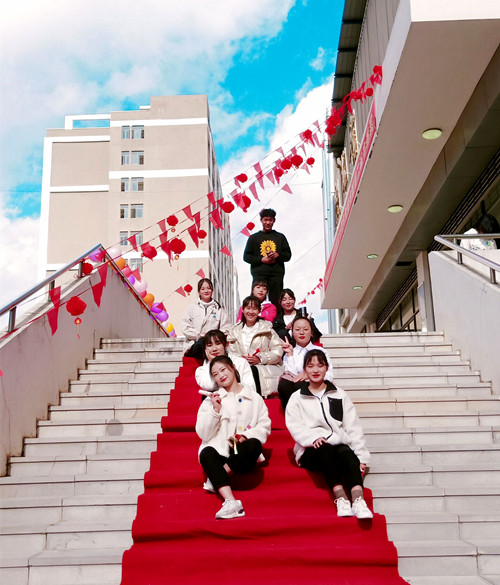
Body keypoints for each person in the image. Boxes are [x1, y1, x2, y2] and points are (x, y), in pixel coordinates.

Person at [285, 349, 373, 520]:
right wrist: (312, 438)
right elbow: (294, 425)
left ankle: (358, 500)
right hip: (310, 450)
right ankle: (341, 498)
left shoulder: (339, 394)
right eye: (310, 366)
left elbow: (352, 426)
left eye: (320, 365)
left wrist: (361, 457)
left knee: (347, 452)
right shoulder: (297, 397)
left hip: (337, 446)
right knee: (326, 450)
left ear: (326, 368)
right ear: (304, 369)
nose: (315, 370)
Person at [196, 356, 271, 519]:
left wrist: (245, 435)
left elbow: (264, 426)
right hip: (221, 448)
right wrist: (215, 410)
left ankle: (217, 476)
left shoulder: (254, 397)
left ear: (233, 368)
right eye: (215, 374)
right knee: (206, 452)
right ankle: (231, 502)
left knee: (254, 444)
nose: (220, 376)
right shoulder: (211, 400)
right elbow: (203, 434)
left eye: (223, 370)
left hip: (240, 450)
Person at [228, 295, 283, 397]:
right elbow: (231, 352)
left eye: (254, 309)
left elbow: (278, 350)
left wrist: (260, 358)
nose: (251, 312)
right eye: (248, 308)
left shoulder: (267, 329)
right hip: (241, 368)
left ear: (259, 311)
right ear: (243, 310)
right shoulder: (234, 331)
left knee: (253, 371)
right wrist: (240, 359)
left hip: (262, 370)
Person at [278, 316, 334, 409]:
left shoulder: (320, 351)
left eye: (305, 329)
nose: (301, 332)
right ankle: (293, 414)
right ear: (292, 333)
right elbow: (291, 377)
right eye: (297, 329)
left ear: (311, 332)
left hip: (315, 386)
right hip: (294, 390)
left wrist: (309, 375)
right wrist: (290, 354)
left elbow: (329, 376)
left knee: (302, 385)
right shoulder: (289, 352)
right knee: (285, 385)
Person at [243, 208, 292, 308]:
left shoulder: (280, 237)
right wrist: (261, 259)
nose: (268, 222)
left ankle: (278, 318)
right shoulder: (253, 238)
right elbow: (246, 257)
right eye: (265, 220)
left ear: (274, 220)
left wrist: (278, 255)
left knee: (277, 302)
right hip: (259, 276)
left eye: (270, 220)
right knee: (256, 302)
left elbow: (288, 255)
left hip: (276, 276)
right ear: (261, 220)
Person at [181, 278, 230, 360]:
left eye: (208, 288)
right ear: (199, 291)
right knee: (202, 343)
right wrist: (198, 335)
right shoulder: (191, 308)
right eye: (203, 289)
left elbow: (226, 328)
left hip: (213, 344)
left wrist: (214, 337)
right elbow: (185, 327)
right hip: (195, 344)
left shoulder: (218, 309)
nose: (206, 291)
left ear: (212, 290)